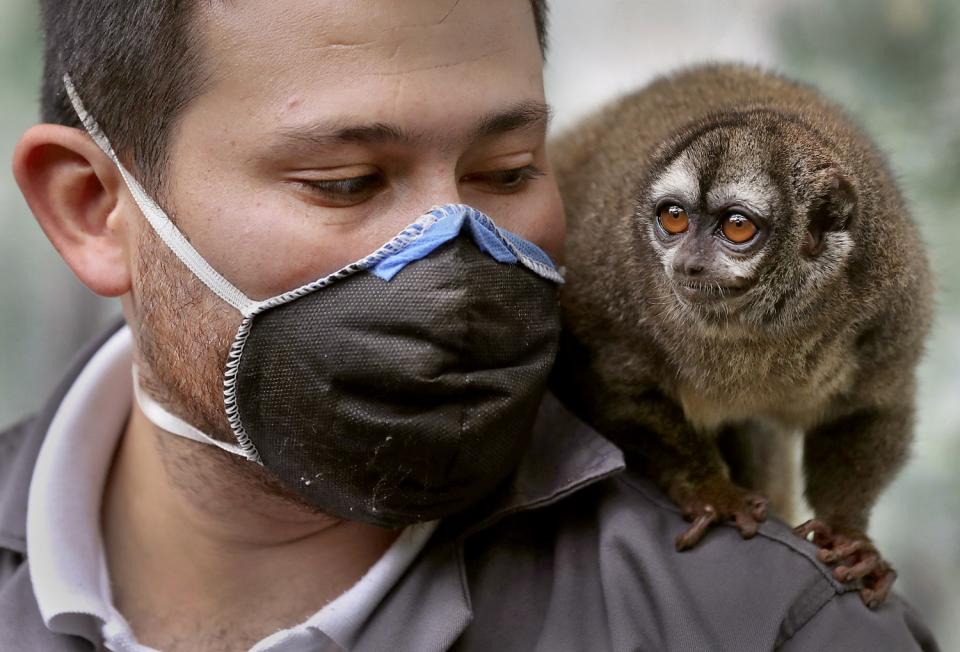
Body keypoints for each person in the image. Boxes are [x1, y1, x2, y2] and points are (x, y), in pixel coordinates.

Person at [0, 1, 941, 650]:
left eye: (507, 170)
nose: (458, 257)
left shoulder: (771, 627)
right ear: (93, 208)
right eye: (347, 182)